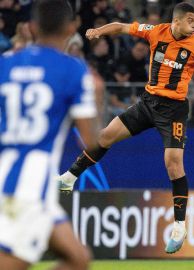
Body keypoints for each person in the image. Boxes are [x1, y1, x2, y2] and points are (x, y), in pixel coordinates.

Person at [56, 2, 194, 254]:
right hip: (148, 103)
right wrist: (100, 30)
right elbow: (123, 27)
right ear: (176, 21)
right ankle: (68, 179)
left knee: (173, 162)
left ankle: (179, 226)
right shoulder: (156, 31)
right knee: (105, 136)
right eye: (190, 20)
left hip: (174, 110)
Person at [0, 0, 98, 269]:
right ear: (71, 28)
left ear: (31, 27)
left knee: (78, 258)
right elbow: (91, 141)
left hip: (11, 173)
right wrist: (97, 97)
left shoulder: (6, 63)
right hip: (29, 184)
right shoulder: (74, 70)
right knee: (14, 263)